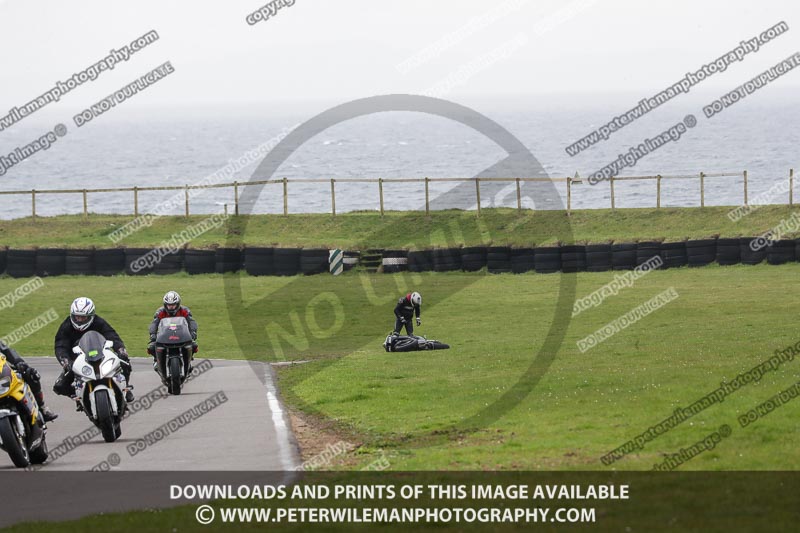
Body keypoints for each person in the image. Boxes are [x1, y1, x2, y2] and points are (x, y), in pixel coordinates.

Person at [53, 297, 134, 402]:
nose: (80, 320)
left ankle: (125, 388)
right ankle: (81, 397)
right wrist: (65, 360)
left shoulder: (98, 322)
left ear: (91, 316)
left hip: (101, 356)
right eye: (77, 317)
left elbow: (111, 335)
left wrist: (120, 349)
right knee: (59, 386)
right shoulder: (66, 326)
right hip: (77, 362)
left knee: (124, 361)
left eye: (83, 318)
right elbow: (60, 345)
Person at [0, 340, 58, 422]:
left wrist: (18, 361)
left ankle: (42, 408)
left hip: (3, 373)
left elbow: (6, 350)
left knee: (30, 373)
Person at [147, 291, 198, 369]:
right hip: (165, 335)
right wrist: (153, 334)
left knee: (194, 345)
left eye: (173, 305)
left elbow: (191, 321)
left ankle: (188, 360)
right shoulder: (160, 312)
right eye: (169, 305)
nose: (171, 307)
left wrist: (193, 332)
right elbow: (154, 323)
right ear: (165, 304)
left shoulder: (184, 310)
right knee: (151, 347)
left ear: (177, 304)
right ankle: (157, 360)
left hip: (181, 334)